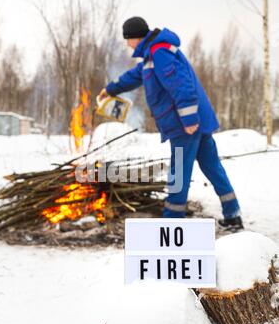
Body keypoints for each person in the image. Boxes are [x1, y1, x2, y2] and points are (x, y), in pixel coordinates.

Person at [98, 17, 243, 231]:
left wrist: (189, 119)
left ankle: (172, 220)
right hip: (193, 121)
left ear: (134, 37)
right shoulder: (152, 56)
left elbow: (181, 85)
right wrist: (111, 89)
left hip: (185, 123)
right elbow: (134, 76)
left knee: (179, 171)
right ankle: (233, 214)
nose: (128, 45)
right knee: (212, 167)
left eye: (128, 40)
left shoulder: (159, 52)